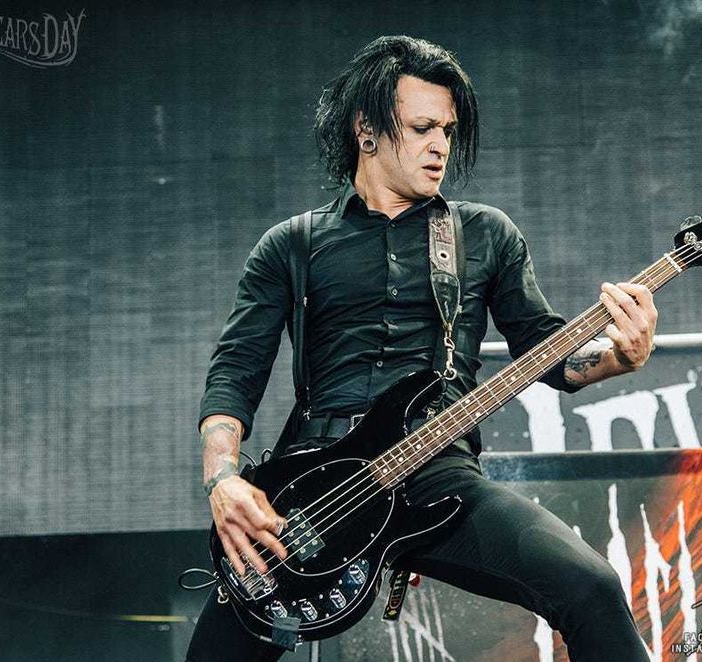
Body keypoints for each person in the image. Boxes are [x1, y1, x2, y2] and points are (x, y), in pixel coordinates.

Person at [187, 35, 656, 662]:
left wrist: (619, 358)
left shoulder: (483, 234)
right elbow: (235, 372)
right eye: (422, 128)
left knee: (591, 587)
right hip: (313, 489)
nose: (441, 146)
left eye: (448, 131)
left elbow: (548, 353)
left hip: (437, 471)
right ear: (367, 129)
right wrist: (223, 479)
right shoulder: (289, 245)